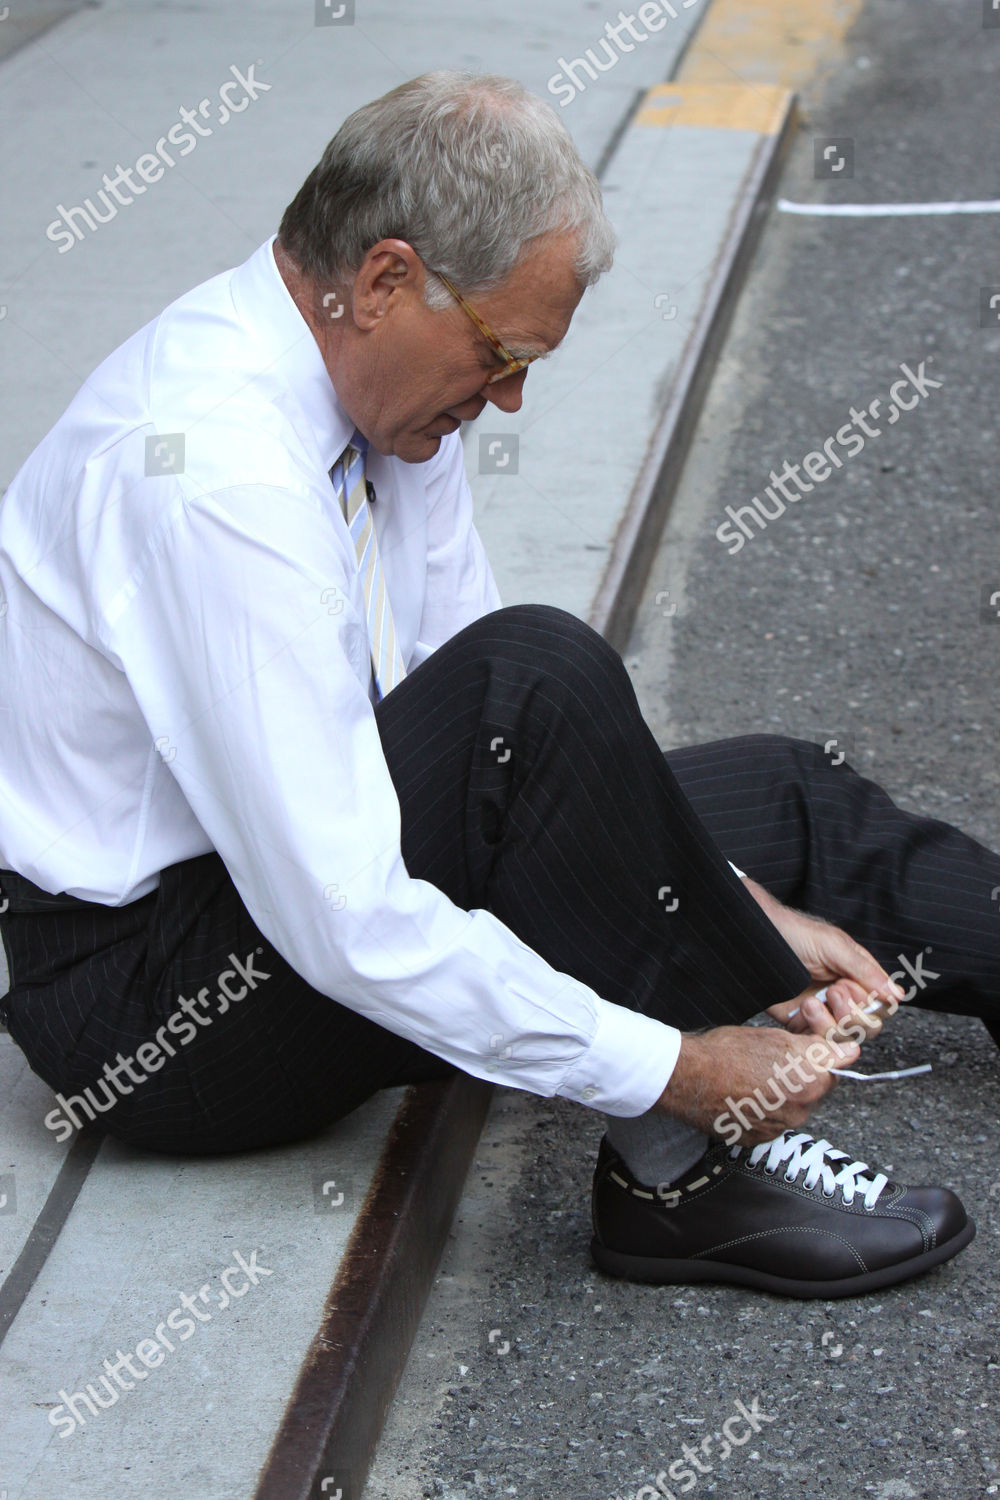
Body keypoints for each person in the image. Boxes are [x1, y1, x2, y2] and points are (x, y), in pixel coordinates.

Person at [0, 71, 994, 1302]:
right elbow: (349, 916)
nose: (511, 397)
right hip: (155, 1007)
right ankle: (676, 1178)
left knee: (781, 794)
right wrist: (681, 1068)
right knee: (534, 685)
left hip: (287, 878)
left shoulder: (385, 393)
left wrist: (728, 896)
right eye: (502, 352)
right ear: (385, 280)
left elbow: (498, 726)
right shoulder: (213, 479)